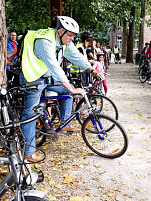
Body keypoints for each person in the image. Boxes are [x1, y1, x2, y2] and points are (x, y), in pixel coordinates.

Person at [19, 16, 103, 162]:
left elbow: (76, 57)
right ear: (61, 32)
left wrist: (92, 70)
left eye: (73, 36)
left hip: (46, 77)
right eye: (70, 35)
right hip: (32, 78)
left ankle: (64, 123)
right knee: (30, 114)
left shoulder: (63, 41)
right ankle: (29, 152)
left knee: (68, 93)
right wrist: (70, 88)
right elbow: (54, 66)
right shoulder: (45, 41)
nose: (72, 39)